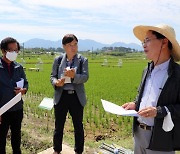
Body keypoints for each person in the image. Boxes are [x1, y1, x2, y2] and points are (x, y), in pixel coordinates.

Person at [122, 24, 180, 154]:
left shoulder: (177, 74)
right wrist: (135, 104)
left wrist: (160, 111)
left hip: (161, 139)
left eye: (148, 40)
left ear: (164, 42)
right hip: (139, 134)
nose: (144, 44)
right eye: (143, 41)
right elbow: (142, 97)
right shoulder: (147, 70)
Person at [50, 34, 89, 154]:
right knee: (59, 125)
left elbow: (85, 77)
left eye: (75, 44)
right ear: (64, 46)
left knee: (78, 126)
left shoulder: (82, 60)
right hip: (61, 96)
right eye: (70, 45)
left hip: (76, 97)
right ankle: (57, 150)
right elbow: (52, 76)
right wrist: (56, 82)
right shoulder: (58, 60)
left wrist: (74, 77)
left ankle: (78, 151)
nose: (73, 47)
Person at [0, 37, 28, 154]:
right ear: (3, 51)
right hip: (2, 110)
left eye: (16, 50)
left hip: (17, 108)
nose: (14, 53)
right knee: (1, 138)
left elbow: (25, 83)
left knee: (16, 135)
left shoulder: (18, 67)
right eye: (11, 50)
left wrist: (23, 90)